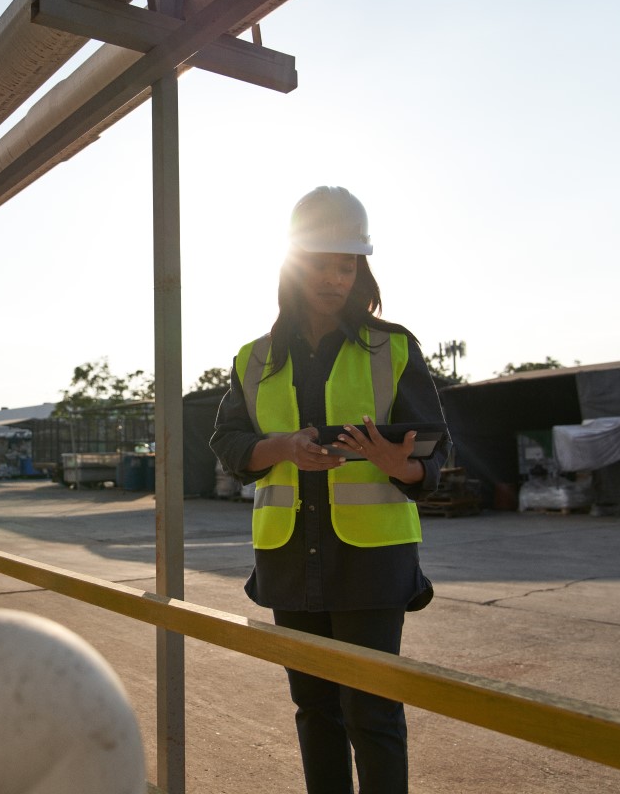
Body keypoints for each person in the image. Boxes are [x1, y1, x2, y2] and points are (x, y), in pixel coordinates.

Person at [210, 186, 449, 794]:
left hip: (371, 563)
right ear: (293, 265)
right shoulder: (254, 358)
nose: (335, 277)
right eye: (322, 262)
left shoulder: (393, 348)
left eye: (347, 265)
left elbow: (435, 456)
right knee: (315, 711)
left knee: (372, 712)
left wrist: (401, 465)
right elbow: (231, 446)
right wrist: (283, 448)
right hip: (290, 558)